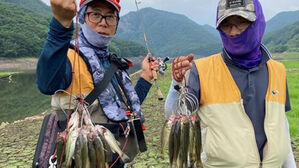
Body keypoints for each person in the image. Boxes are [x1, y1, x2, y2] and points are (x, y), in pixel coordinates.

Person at [165, 0, 296, 167]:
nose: (233, 32)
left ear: (258, 23)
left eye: (241, 23)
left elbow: (281, 125)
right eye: (226, 25)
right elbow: (174, 113)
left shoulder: (278, 70)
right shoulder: (201, 69)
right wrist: (176, 83)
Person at [36, 0, 158, 167]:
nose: (103, 22)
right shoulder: (69, 58)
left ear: (116, 24)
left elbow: (125, 111)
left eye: (110, 17)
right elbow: (46, 84)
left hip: (117, 161)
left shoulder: (114, 63)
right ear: (82, 17)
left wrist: (145, 77)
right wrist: (60, 24)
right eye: (95, 14)